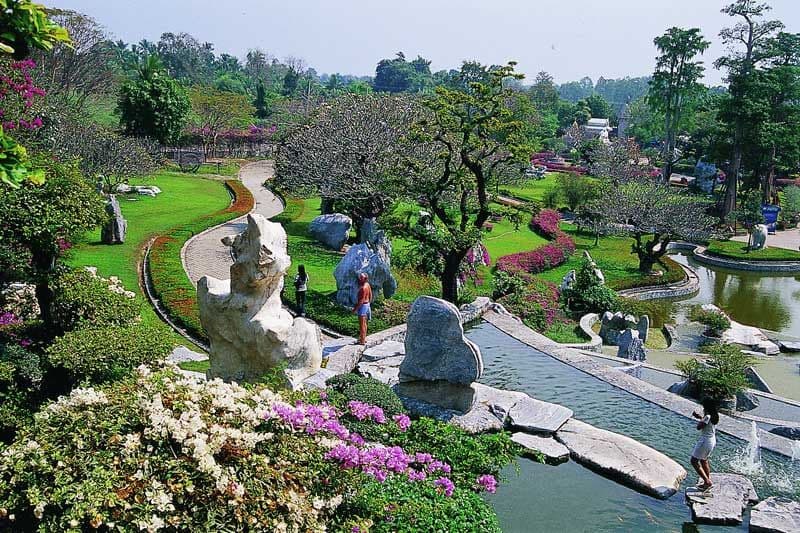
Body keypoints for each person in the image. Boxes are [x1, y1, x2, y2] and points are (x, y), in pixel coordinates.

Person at [690, 398, 719, 491]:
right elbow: (706, 423)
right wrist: (699, 417)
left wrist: (700, 419)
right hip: (712, 440)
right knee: (704, 460)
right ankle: (707, 481)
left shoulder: (707, 417)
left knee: (694, 461)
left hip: (705, 441)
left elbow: (699, 427)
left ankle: (707, 481)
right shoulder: (713, 416)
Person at [352, 272, 372, 345]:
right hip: (367, 305)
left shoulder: (363, 289)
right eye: (359, 277)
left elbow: (361, 301)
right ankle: (363, 338)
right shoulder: (368, 285)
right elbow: (370, 295)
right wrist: (368, 304)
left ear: (365, 279)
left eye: (361, 278)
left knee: (362, 325)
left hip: (363, 306)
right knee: (365, 323)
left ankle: (362, 341)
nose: (359, 278)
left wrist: (355, 309)